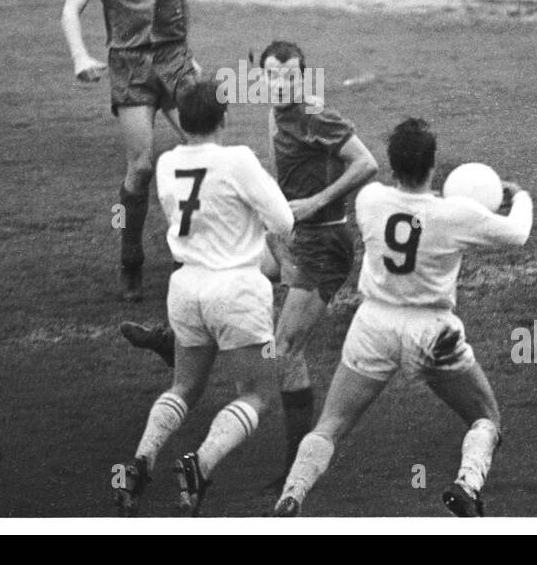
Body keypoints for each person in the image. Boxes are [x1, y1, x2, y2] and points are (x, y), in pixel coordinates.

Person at [122, 40, 379, 490]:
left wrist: (315, 202)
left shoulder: (319, 117)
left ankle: (294, 467)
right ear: (260, 78)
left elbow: (367, 163)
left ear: (304, 76)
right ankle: (175, 341)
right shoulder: (275, 113)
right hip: (288, 236)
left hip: (323, 243)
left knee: (284, 349)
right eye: (272, 75)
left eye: (290, 75)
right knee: (222, 272)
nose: (280, 83)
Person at [274, 118, 533, 517]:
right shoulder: (455, 214)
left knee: (331, 424)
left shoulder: (370, 201)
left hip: (372, 324)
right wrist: (519, 196)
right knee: (485, 417)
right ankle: (467, 485)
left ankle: (291, 497)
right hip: (431, 331)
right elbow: (517, 233)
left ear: (392, 167)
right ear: (433, 165)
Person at [113, 79, 293, 516]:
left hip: (186, 288)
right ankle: (202, 463)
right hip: (236, 289)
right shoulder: (238, 160)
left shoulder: (167, 163)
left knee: (184, 387)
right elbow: (284, 220)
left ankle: (140, 461)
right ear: (224, 117)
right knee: (257, 394)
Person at [60, 0, 199, 301]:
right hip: (132, 67)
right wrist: (80, 56)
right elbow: (69, 11)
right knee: (140, 168)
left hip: (174, 62)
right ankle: (130, 259)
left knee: (206, 153)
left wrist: (187, 49)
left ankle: (191, 248)